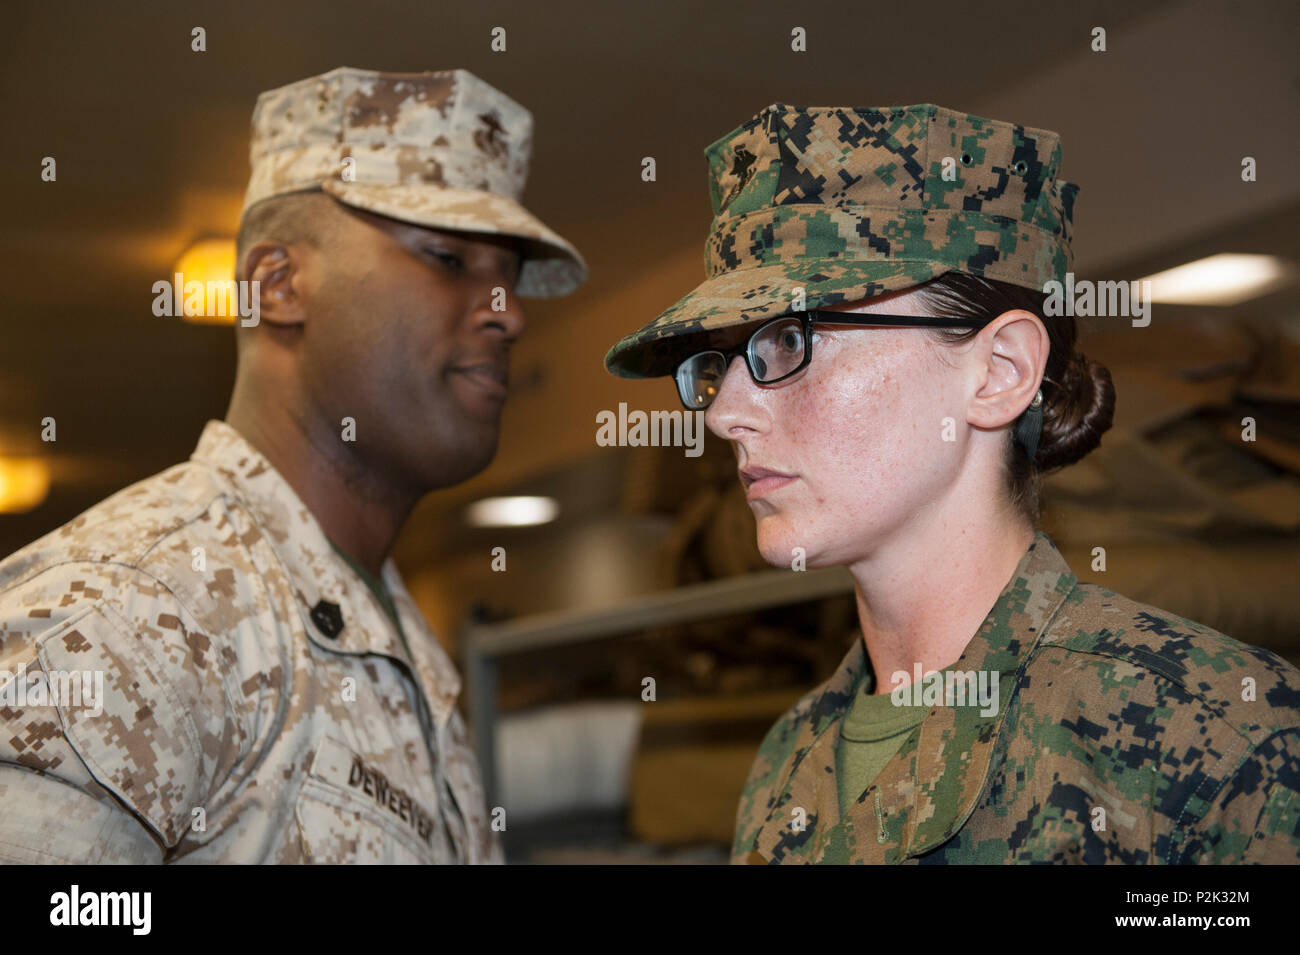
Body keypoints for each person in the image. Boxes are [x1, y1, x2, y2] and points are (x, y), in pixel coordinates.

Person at [604, 102, 1300, 864]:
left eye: (789, 338)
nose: (726, 413)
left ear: (999, 373)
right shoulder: (787, 762)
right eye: (721, 362)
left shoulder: (1225, 748)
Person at [0, 67, 585, 863]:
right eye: (448, 258)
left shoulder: (415, 654)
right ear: (276, 285)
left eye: (510, 277)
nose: (508, 311)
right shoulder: (128, 610)